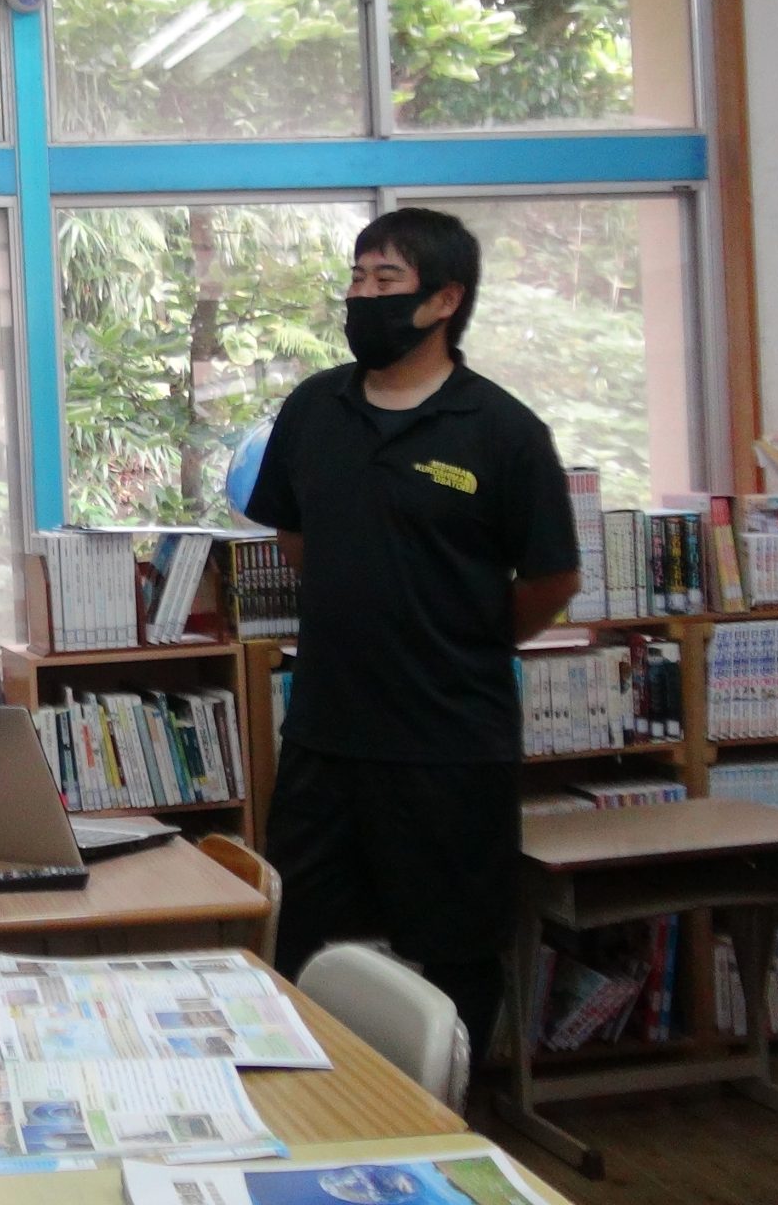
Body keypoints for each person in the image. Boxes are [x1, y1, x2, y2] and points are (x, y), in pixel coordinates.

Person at [244, 207, 582, 1065]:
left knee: (455, 947)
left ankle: (452, 1117)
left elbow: (551, 580)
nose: (363, 296)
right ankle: (313, 1103)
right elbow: (295, 535)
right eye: (357, 278)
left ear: (444, 300)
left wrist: (459, 639)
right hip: (326, 735)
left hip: (449, 743)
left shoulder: (503, 431)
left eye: (385, 280)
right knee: (297, 940)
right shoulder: (313, 408)